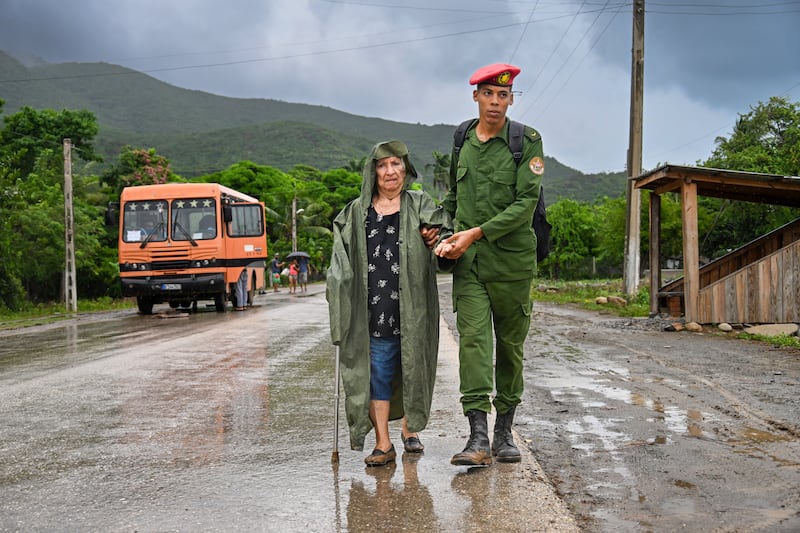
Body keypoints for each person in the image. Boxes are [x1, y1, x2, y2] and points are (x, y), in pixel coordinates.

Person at [435, 63, 545, 466]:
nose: (495, 102)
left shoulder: (526, 141)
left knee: (510, 349)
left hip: (513, 264)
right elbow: (453, 198)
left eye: (503, 95)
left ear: (511, 99)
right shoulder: (462, 137)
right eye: (488, 94)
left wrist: (475, 233)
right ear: (476, 96)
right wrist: (441, 230)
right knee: (475, 346)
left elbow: (524, 206)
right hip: (470, 266)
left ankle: (504, 433)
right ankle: (477, 436)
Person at [327, 140, 451, 466]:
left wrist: (436, 236)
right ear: (373, 172)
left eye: (396, 164)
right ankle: (383, 443)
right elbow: (338, 259)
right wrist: (336, 289)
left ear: (405, 169)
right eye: (382, 165)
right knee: (377, 374)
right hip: (373, 311)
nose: (390, 171)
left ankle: (410, 427)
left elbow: (447, 234)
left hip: (413, 309)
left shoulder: (420, 204)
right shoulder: (356, 213)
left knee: (411, 370)